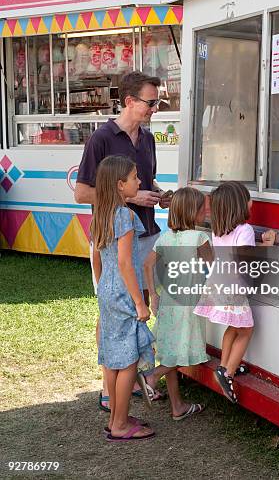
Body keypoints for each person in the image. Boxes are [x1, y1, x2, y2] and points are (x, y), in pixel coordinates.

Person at [74, 71, 171, 410]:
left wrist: (159, 194)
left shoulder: (148, 138)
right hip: (113, 238)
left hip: (145, 231)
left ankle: (137, 376)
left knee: (142, 305)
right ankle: (109, 386)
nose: (155, 108)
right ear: (130, 101)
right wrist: (132, 199)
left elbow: (146, 181)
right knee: (114, 307)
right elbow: (82, 192)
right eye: (151, 102)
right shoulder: (101, 138)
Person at [91, 156, 155, 441]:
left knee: (115, 359)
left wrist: (104, 284)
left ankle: (118, 417)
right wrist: (140, 302)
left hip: (107, 290)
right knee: (128, 360)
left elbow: (97, 258)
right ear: (120, 184)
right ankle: (119, 425)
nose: (139, 182)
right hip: (125, 294)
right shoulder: (125, 215)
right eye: (134, 177)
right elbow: (127, 263)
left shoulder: (101, 214)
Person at [194, 181, 275, 404]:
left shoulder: (219, 230)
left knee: (233, 326)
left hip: (218, 284)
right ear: (239, 206)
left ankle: (223, 365)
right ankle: (227, 373)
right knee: (247, 329)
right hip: (233, 288)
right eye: (248, 199)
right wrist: (267, 245)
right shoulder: (245, 230)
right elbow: (245, 259)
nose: (252, 202)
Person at [143, 187, 209, 420]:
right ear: (193, 212)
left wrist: (153, 295)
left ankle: (177, 406)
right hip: (188, 304)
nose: (206, 210)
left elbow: (148, 265)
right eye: (203, 207)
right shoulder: (200, 238)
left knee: (169, 352)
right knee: (182, 355)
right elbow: (217, 268)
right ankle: (151, 377)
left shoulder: (165, 238)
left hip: (168, 300)